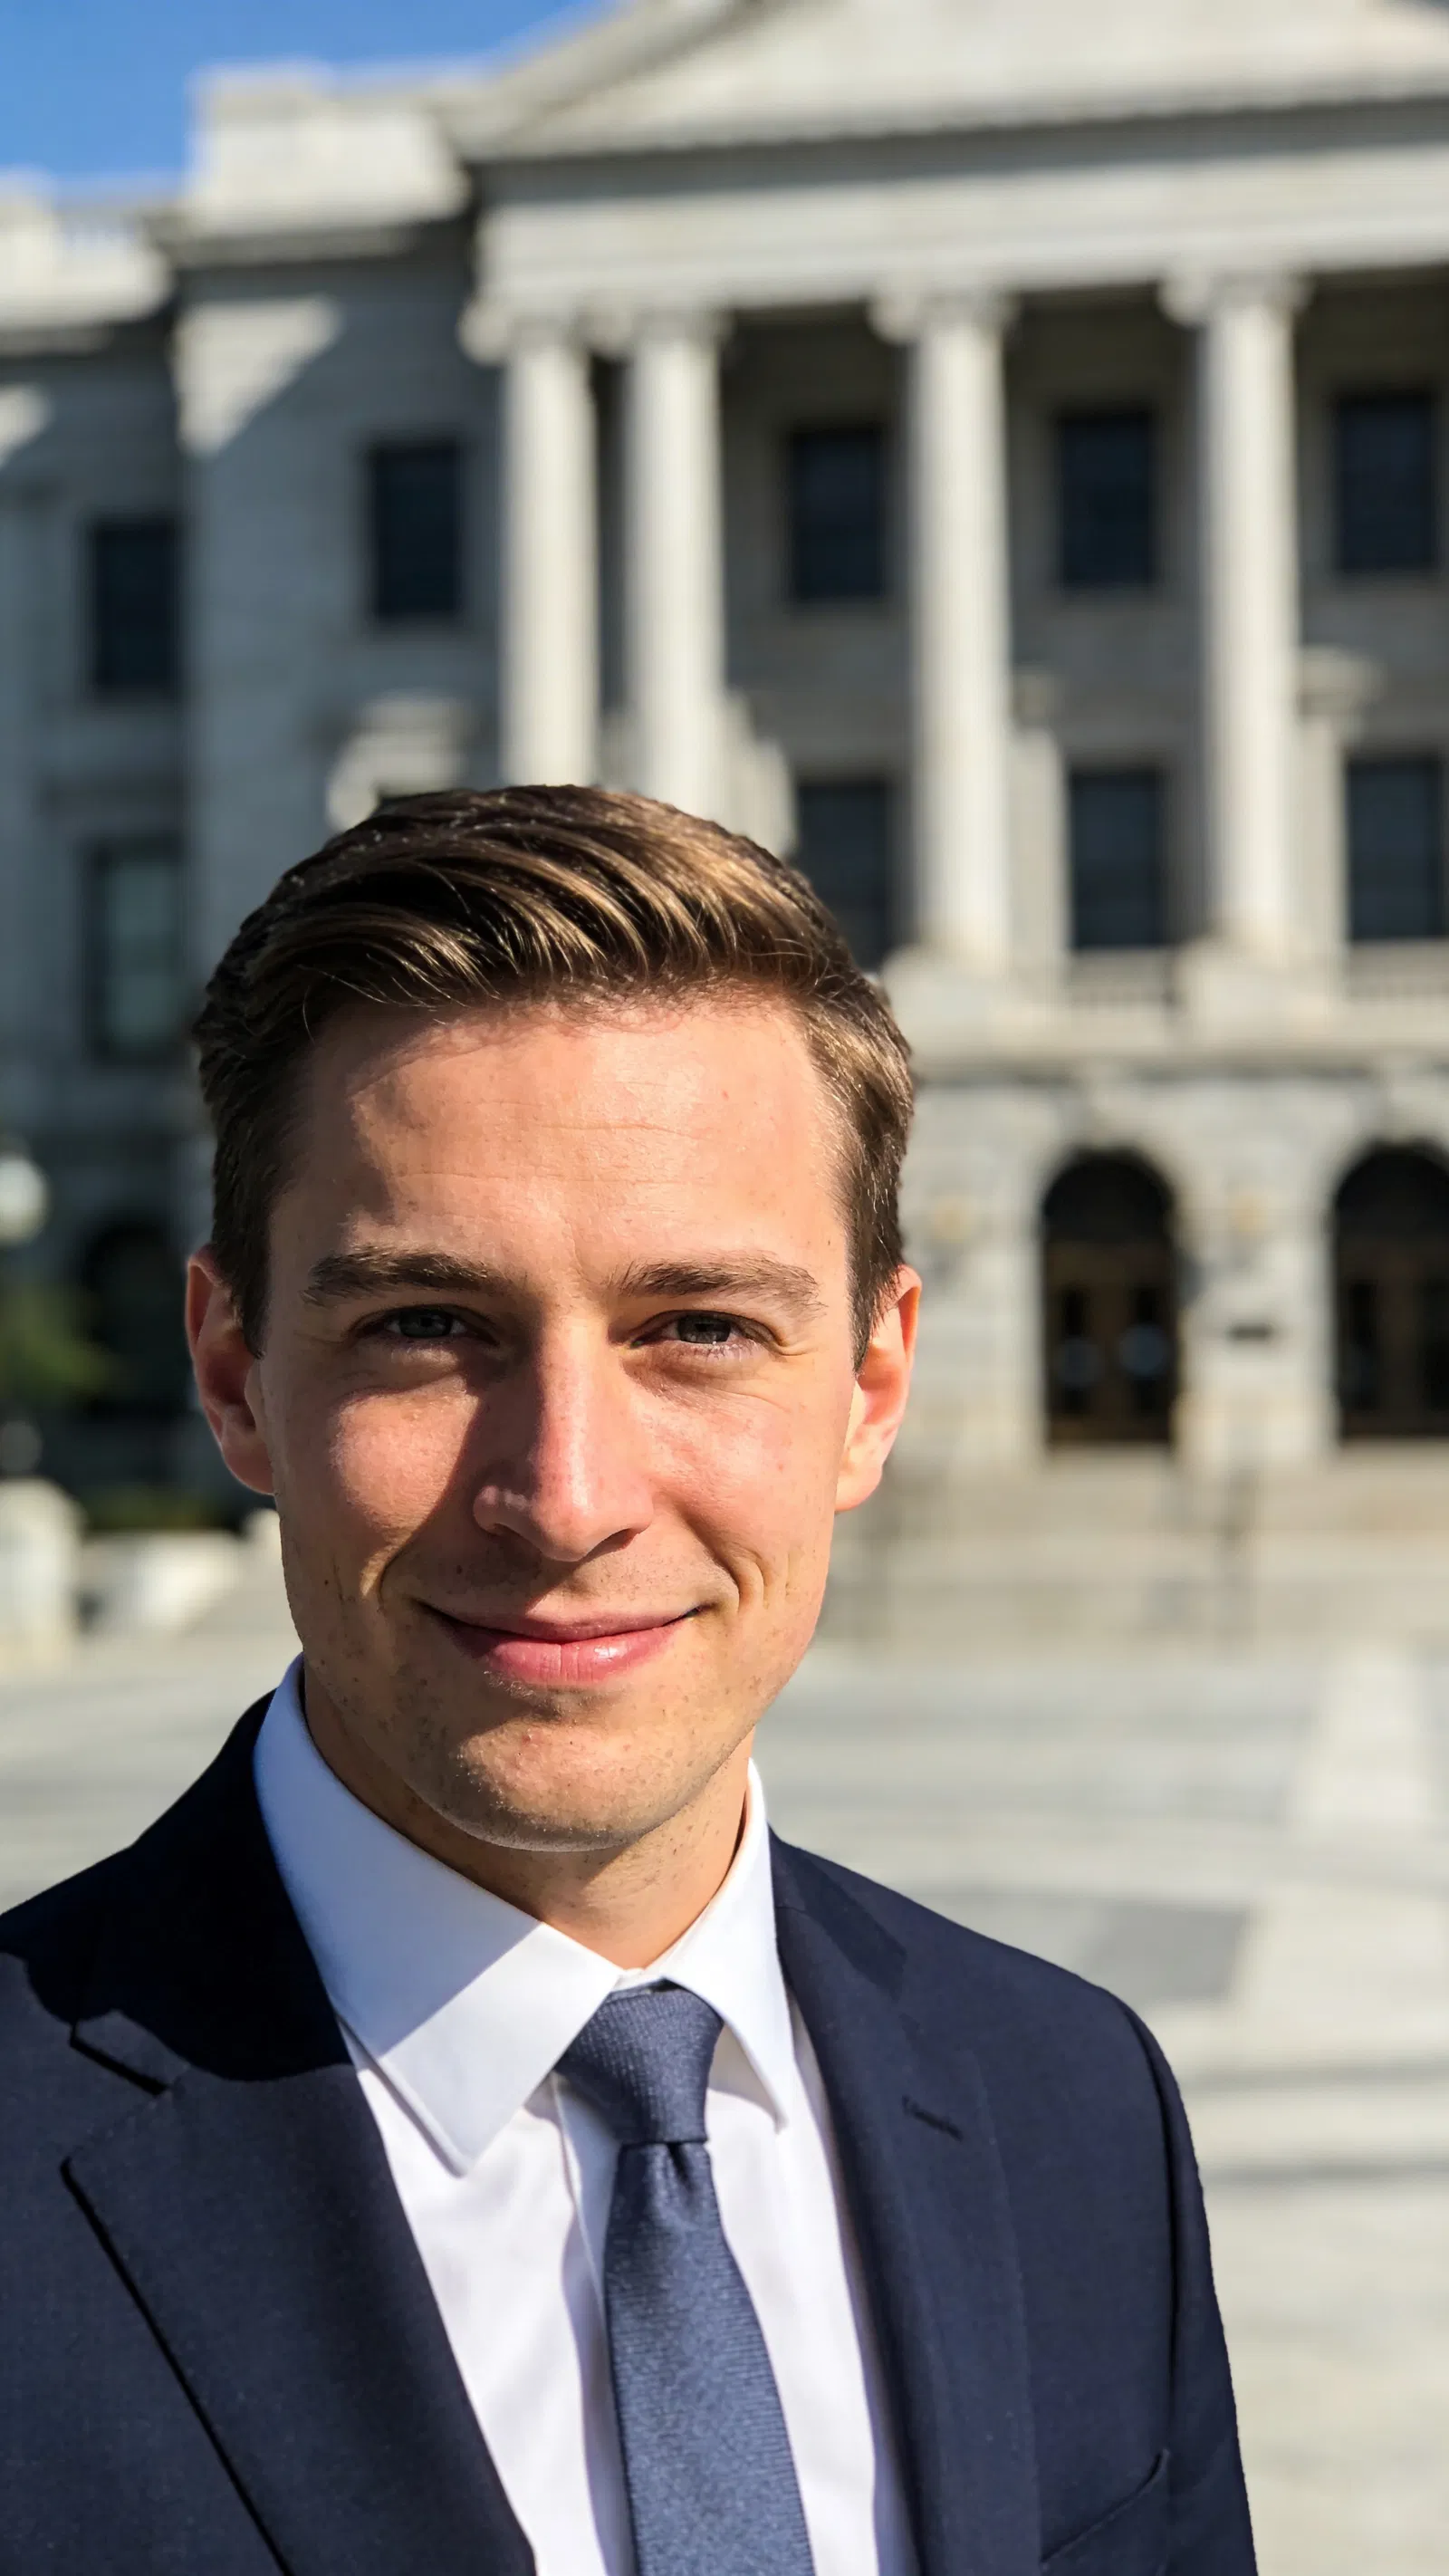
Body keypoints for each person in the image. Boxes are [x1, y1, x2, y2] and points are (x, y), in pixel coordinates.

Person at [0, 787, 1254, 2576]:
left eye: (699, 1330)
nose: (565, 1497)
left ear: (873, 1385)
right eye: (426, 1327)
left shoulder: (1067, 2104)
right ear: (234, 1375)